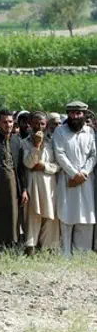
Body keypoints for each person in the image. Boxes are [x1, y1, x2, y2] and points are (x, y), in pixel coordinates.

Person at [53, 101, 96, 256]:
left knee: (86, 217)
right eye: (71, 113)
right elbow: (60, 154)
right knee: (66, 216)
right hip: (67, 180)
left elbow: (93, 154)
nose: (74, 116)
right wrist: (73, 174)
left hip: (85, 181)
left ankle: (82, 256)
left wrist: (84, 172)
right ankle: (65, 255)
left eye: (78, 113)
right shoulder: (60, 131)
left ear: (84, 115)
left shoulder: (90, 132)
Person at [0, 110, 27, 250]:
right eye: (4, 122)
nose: (8, 125)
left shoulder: (17, 140)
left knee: (13, 217)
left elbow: (21, 168)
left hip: (14, 186)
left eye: (10, 122)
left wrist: (25, 190)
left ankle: (11, 248)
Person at [21, 112, 60, 254]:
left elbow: (58, 165)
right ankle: (31, 247)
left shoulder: (52, 143)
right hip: (33, 183)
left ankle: (48, 248)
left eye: (42, 124)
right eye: (36, 123)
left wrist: (45, 166)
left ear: (46, 125)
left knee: (51, 216)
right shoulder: (24, 143)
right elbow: (29, 163)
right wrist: (36, 146)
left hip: (49, 184)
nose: (39, 127)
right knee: (33, 215)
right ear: (30, 124)